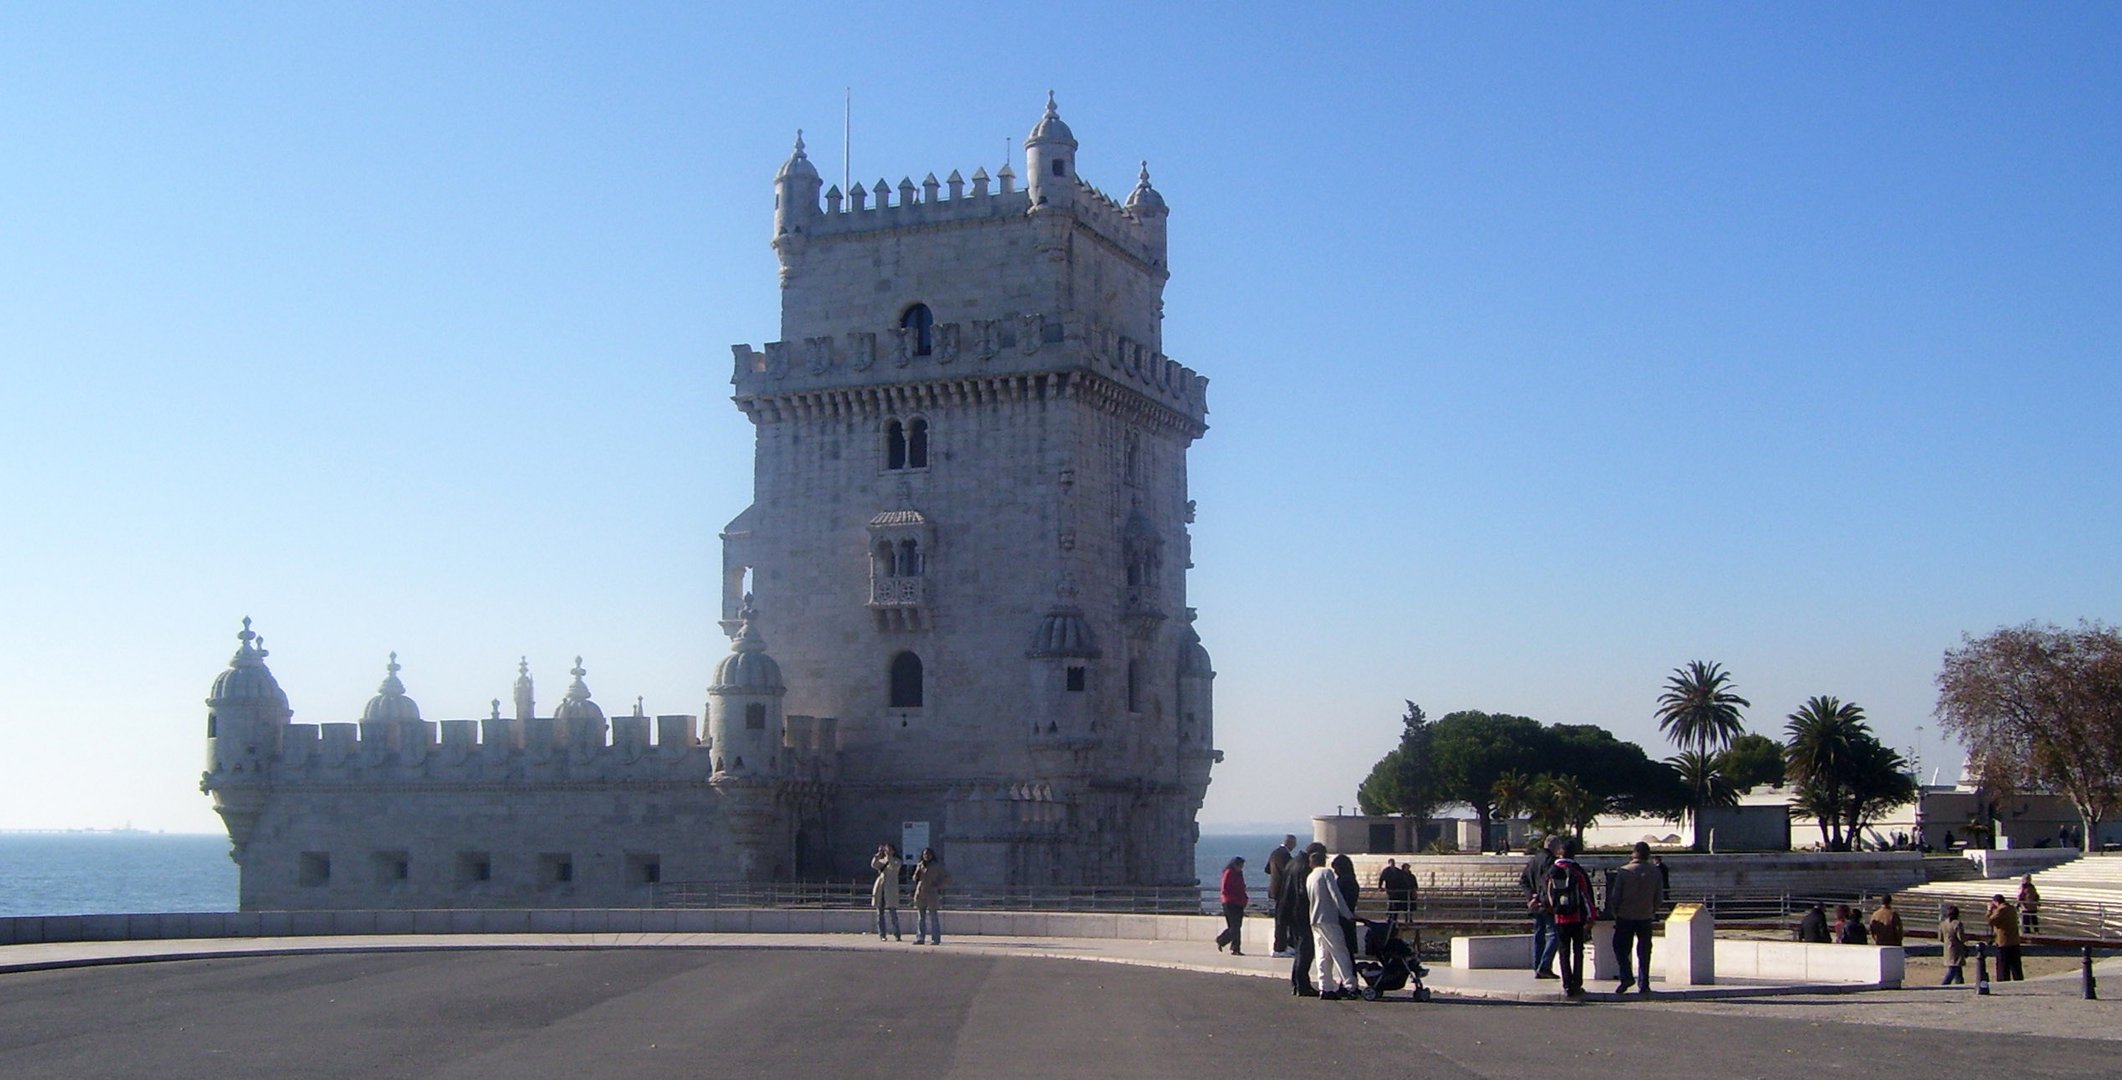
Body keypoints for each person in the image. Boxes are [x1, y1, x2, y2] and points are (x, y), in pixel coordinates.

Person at [1540, 838, 1598, 996]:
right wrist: (1592, 915)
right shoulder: (1577, 871)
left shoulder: (1551, 871)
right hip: (1577, 917)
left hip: (1559, 918)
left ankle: (1566, 984)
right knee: (1578, 951)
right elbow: (1586, 895)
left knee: (1563, 951)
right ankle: (1576, 983)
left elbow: (1545, 896)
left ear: (1560, 852)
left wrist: (1554, 910)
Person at [1606, 842, 1659, 994]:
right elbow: (1659, 897)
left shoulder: (1624, 871)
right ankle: (1644, 983)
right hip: (1645, 916)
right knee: (1644, 951)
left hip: (1625, 916)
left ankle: (1626, 976)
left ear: (1634, 853)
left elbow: (1616, 896)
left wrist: (1615, 912)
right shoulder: (1655, 872)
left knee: (1620, 947)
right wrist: (1651, 910)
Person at [1305, 850, 1357, 999]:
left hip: (1315, 919)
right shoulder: (1326, 873)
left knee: (1322, 954)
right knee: (1340, 953)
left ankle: (1325, 987)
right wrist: (1348, 914)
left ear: (1311, 862)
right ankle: (1349, 985)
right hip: (1329, 919)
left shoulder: (1310, 877)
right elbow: (1336, 895)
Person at [1519, 835, 1565, 979]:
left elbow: (1523, 880)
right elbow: (1547, 882)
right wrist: (1539, 898)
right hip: (1546, 904)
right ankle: (1544, 966)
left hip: (1535, 905)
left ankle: (1538, 966)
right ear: (1556, 847)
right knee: (1554, 935)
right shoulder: (1551, 861)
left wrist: (1530, 897)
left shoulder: (1533, 860)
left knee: (1539, 936)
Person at [1286, 842, 1328, 996]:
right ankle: (1302, 985)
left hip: (1293, 913)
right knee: (1306, 950)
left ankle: (1296, 983)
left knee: (1300, 950)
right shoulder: (1304, 868)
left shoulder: (1293, 863)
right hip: (1303, 914)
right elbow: (1304, 893)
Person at [1265, 835, 1298, 957]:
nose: (1295, 846)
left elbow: (1267, 869)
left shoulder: (1274, 853)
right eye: (1294, 844)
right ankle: (1279, 948)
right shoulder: (1285, 855)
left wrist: (1275, 874)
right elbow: (1289, 871)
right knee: (1283, 921)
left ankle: (1284, 945)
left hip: (1274, 890)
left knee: (1282, 919)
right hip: (1283, 891)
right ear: (1290, 843)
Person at [911, 847, 949, 945]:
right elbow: (914, 878)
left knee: (933, 917)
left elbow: (947, 878)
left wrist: (938, 885)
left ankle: (935, 939)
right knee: (921, 917)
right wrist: (917, 874)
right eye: (924, 854)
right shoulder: (920, 865)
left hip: (931, 893)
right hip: (920, 893)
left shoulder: (937, 866)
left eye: (928, 854)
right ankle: (920, 938)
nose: (926, 856)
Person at [1330, 853, 1361, 962]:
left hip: (1342, 919)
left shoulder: (1342, 881)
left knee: (1343, 952)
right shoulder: (1352, 880)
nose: (1335, 872)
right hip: (1350, 917)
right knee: (1349, 953)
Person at [870, 843, 903, 941]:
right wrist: (877, 855)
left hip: (891, 889)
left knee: (893, 914)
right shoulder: (882, 861)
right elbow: (874, 865)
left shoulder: (897, 861)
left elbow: (894, 867)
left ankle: (897, 934)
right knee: (880, 914)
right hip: (881, 888)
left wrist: (889, 857)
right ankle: (882, 934)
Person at [1215, 856, 1248, 955]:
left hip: (1239, 902)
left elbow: (1241, 887)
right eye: (1240, 865)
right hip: (1230, 902)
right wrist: (1234, 896)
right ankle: (1222, 940)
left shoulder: (1239, 873)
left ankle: (1235, 948)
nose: (1241, 867)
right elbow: (1225, 888)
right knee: (1234, 926)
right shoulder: (1229, 872)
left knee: (1237, 926)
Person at [1986, 894, 2024, 980]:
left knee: (2003, 965)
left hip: (2004, 941)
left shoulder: (2001, 910)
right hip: (2014, 940)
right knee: (2016, 965)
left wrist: (1989, 910)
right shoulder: (2011, 909)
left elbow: (1991, 921)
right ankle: (2018, 980)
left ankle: (2003, 980)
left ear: (1996, 902)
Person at [1939, 904, 1968, 985]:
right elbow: (1961, 938)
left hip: (1947, 948)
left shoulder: (1943, 924)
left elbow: (1940, 938)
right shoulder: (1957, 924)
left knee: (1957, 970)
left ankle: (1960, 983)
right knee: (1953, 969)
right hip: (1956, 949)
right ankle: (1944, 984)